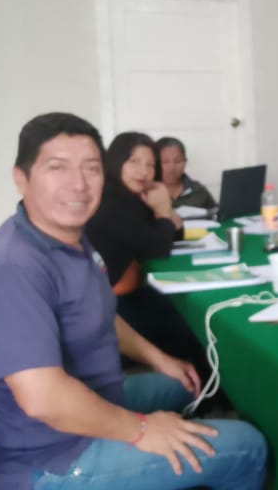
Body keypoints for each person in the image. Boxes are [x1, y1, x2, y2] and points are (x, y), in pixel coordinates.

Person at [0, 112, 266, 490]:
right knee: (248, 447)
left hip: (85, 405)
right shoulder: (9, 267)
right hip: (46, 462)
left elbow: (98, 313)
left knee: (193, 382)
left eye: (91, 168)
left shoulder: (71, 240)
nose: (78, 184)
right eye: (57, 168)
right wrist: (141, 430)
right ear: (21, 178)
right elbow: (45, 399)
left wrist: (160, 359)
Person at [84, 132, 210, 368]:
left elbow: (174, 235)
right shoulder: (109, 200)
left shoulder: (131, 197)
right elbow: (158, 248)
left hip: (128, 294)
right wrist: (162, 210)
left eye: (150, 165)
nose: (143, 172)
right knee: (198, 330)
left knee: (193, 313)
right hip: (110, 309)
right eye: (134, 162)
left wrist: (165, 207)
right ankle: (205, 389)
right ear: (116, 162)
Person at [157, 136, 217, 211]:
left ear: (185, 162)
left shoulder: (198, 190)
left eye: (177, 161)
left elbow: (216, 214)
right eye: (165, 162)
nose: (172, 168)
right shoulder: (147, 192)